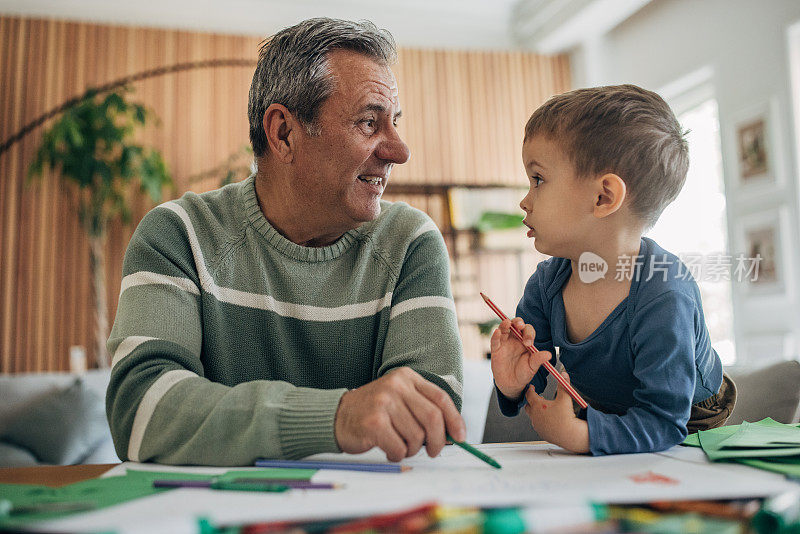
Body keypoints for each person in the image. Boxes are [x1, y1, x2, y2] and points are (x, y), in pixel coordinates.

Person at [106, 18, 466, 466]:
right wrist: (335, 417)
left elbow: (432, 420)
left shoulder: (411, 242)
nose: (400, 150)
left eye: (394, 123)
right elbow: (141, 412)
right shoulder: (177, 235)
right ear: (284, 133)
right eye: (370, 123)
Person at [490, 85, 736, 456]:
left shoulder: (664, 291)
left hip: (689, 416)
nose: (525, 200)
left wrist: (580, 437)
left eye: (538, 179)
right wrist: (512, 383)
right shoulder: (546, 283)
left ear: (604, 197)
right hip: (608, 406)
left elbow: (664, 420)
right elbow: (535, 372)